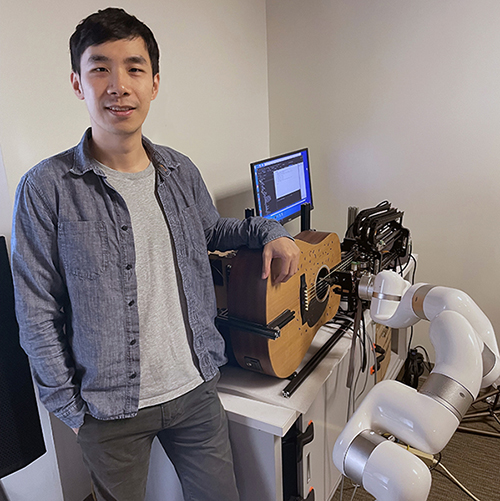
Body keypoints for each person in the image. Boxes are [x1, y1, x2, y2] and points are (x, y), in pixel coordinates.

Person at [11, 7, 300, 501]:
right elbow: (36, 311)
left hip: (195, 388)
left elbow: (213, 230)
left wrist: (271, 229)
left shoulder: (179, 170)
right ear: (79, 84)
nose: (118, 85)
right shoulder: (46, 188)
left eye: (134, 68)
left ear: (155, 83)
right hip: (107, 411)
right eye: (100, 68)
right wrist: (70, 410)